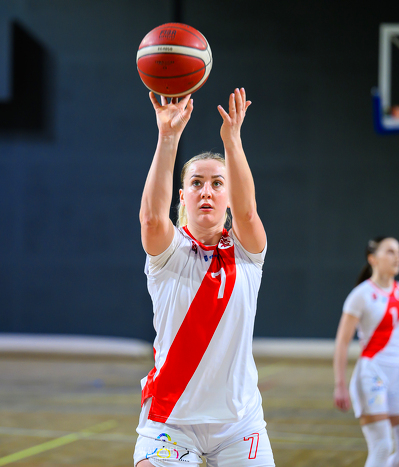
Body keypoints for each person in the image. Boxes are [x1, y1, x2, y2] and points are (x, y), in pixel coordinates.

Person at [134, 88, 275, 467]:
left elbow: (247, 214)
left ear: (229, 196)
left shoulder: (247, 252)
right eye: (196, 183)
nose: (206, 192)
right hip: (170, 420)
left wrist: (233, 141)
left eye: (217, 183)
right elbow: (151, 219)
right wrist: (168, 137)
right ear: (182, 196)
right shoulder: (168, 252)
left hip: (239, 422)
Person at [333, 237, 399, 467]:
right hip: (372, 374)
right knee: (382, 447)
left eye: (398, 251)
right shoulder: (360, 295)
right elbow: (342, 342)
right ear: (373, 259)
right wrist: (340, 384)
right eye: (390, 251)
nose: (397, 256)